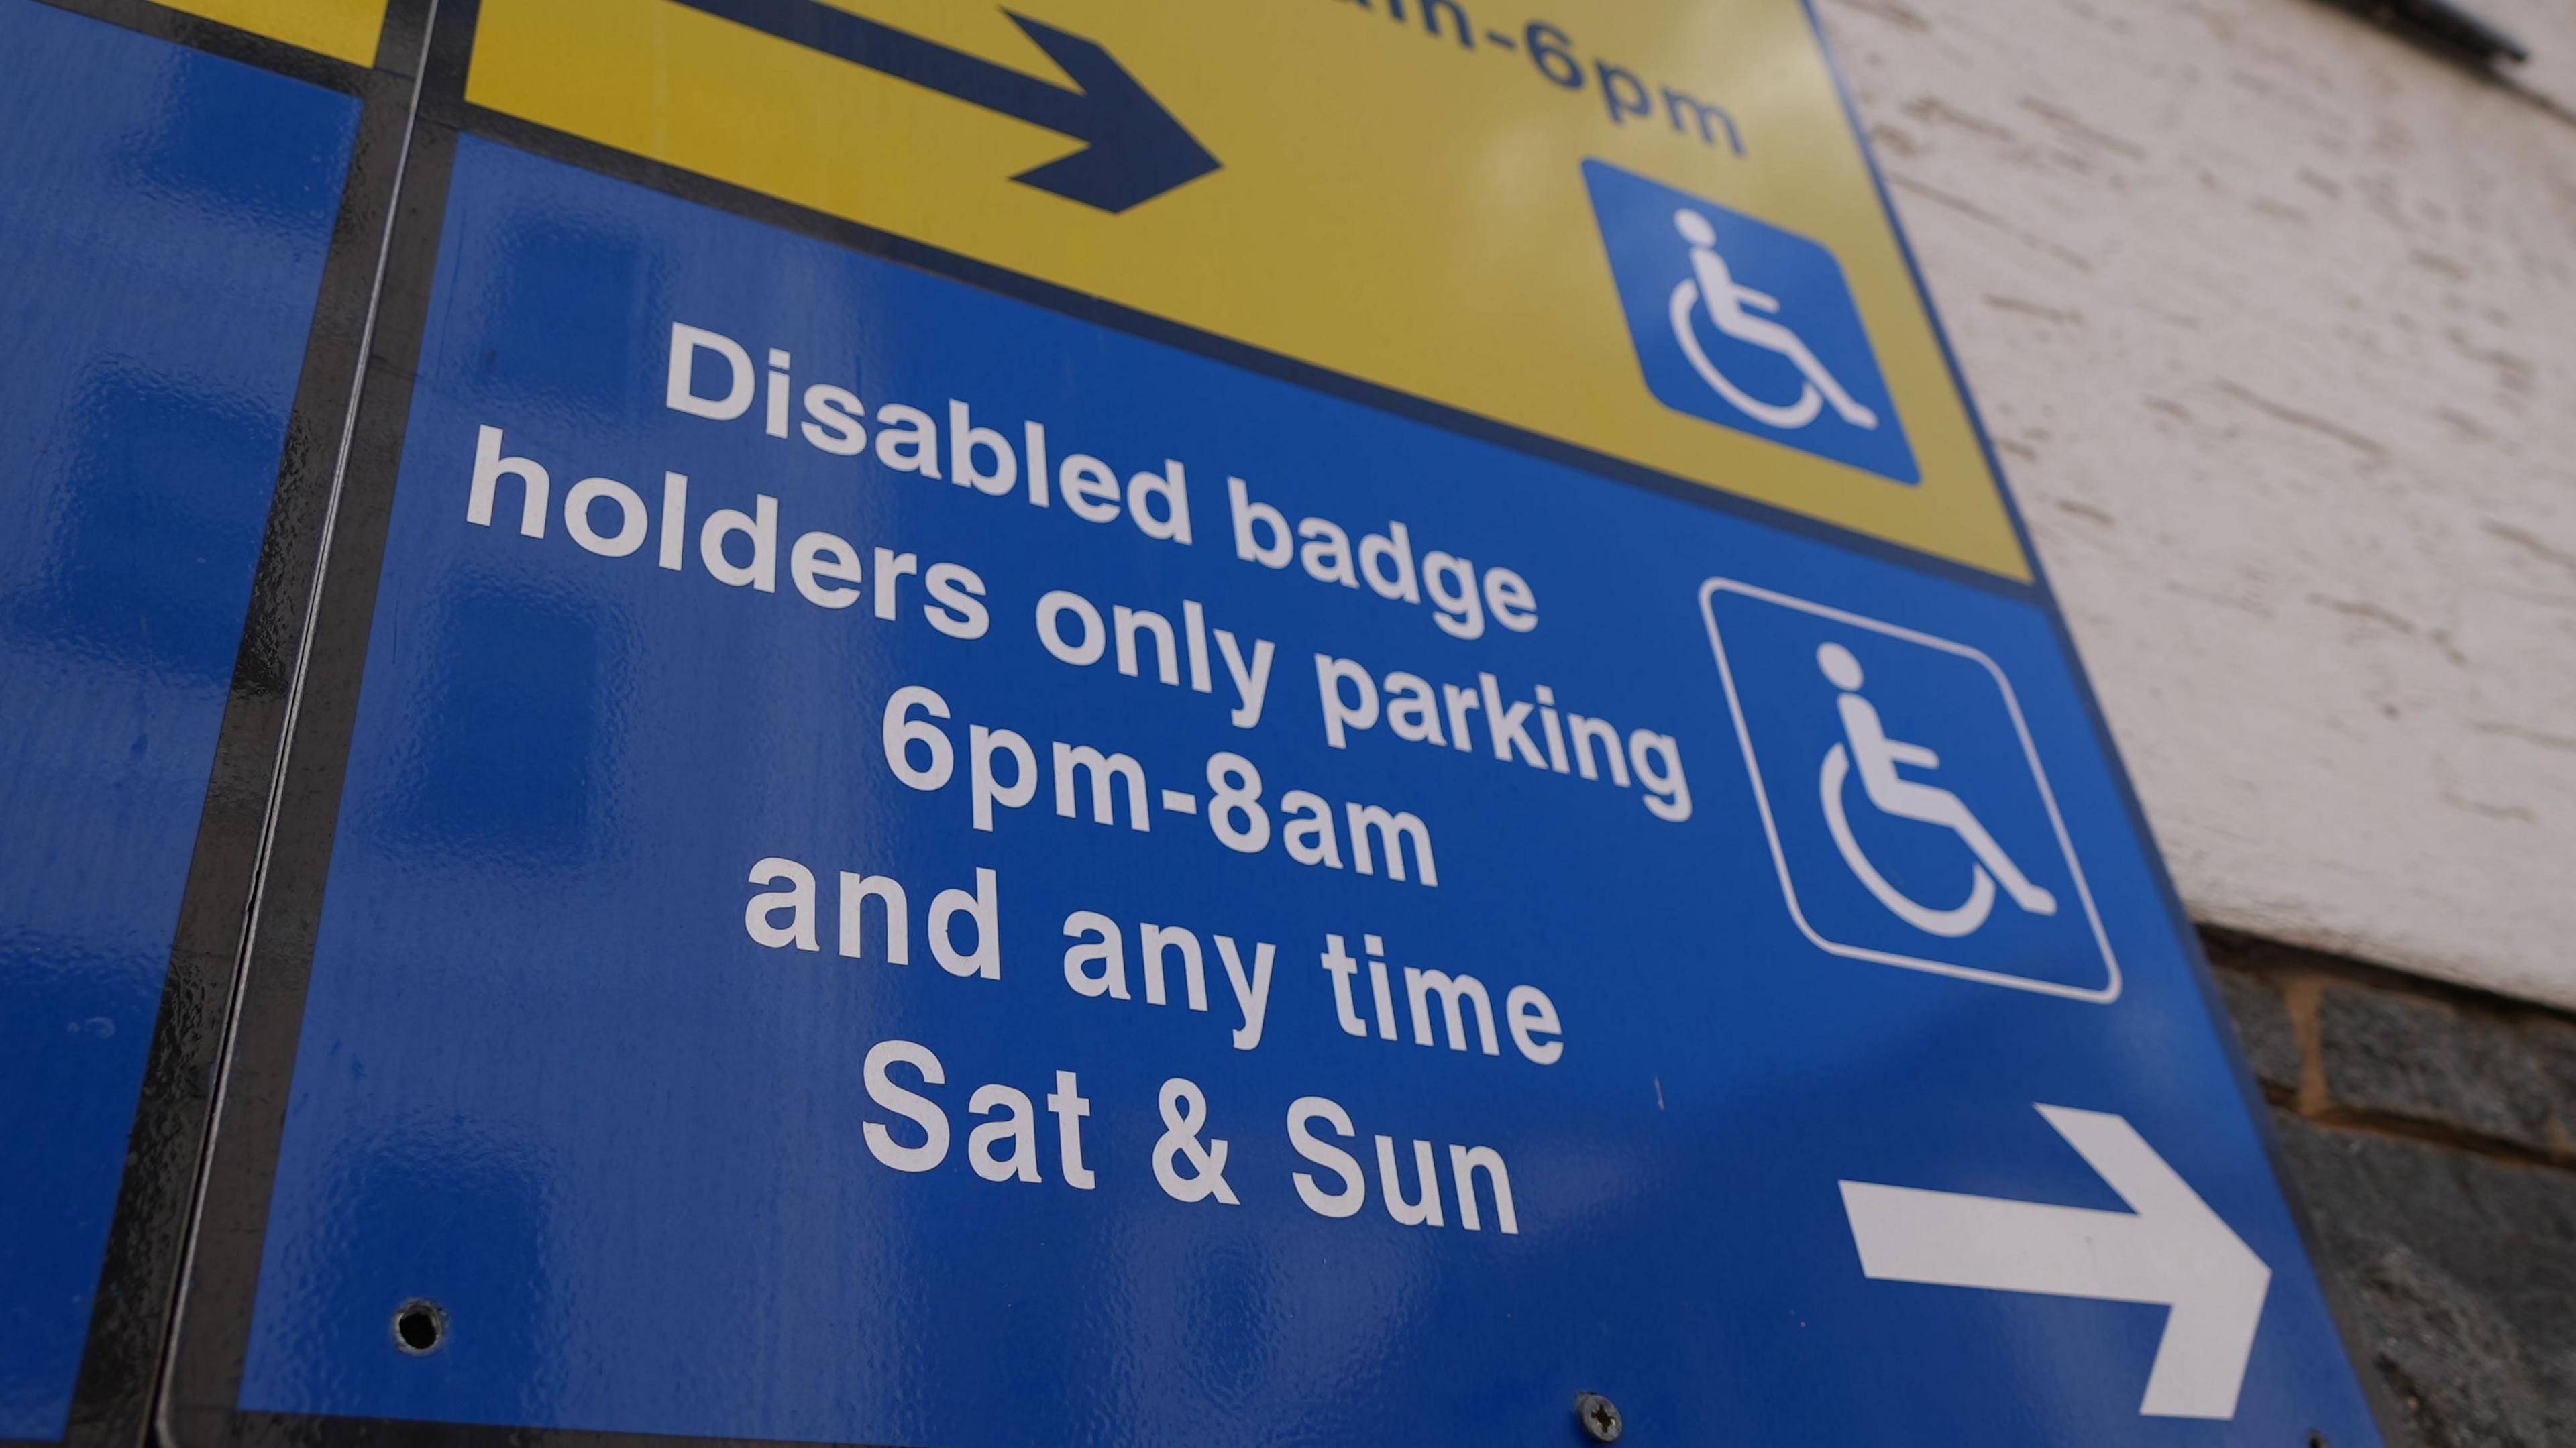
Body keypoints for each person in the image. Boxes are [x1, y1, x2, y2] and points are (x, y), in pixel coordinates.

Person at [1819, 641, 2056, 915]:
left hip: (1885, 784)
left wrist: (1914, 756)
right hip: (1885, 791)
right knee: (1954, 810)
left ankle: (2022, 891)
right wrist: (1919, 757)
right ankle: (2022, 892)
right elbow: (1867, 752)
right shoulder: (1855, 707)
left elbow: (1873, 750)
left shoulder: (1857, 705)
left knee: (1953, 809)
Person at [1676, 208, 1878, 429]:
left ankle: (1847, 407)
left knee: (1789, 342)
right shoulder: (1704, 259)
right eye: (1700, 229)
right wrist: (1757, 301)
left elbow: (1724, 291)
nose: (1708, 233)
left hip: (1732, 315)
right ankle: (1846, 408)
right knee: (1789, 342)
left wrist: (1760, 301)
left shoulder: (1709, 258)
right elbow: (1716, 294)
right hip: (1730, 320)